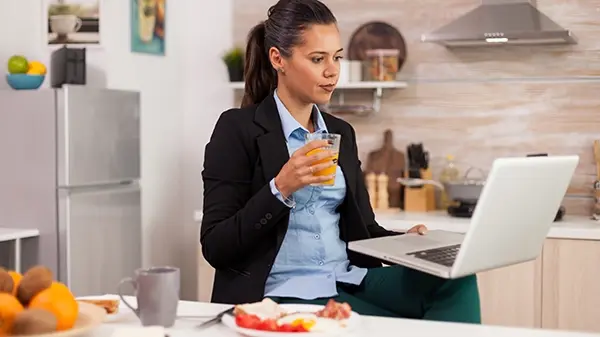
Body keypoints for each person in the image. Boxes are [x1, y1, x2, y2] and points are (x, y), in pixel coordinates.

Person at [200, 0, 481, 323]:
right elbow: (215, 246)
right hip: (283, 292)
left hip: (347, 278)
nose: (332, 71)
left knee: (454, 277)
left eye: (336, 58)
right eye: (317, 59)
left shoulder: (340, 132)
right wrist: (280, 188)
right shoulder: (237, 129)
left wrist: (404, 241)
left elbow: (363, 230)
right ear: (278, 59)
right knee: (385, 326)